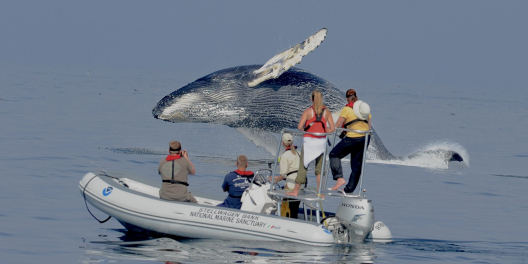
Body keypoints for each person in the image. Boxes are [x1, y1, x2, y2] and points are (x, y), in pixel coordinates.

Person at [286, 90, 335, 196]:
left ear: (311, 99)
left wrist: (308, 130)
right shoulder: (327, 112)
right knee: (320, 168)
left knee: (303, 166)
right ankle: (320, 192)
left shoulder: (308, 111)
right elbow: (332, 129)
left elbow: (300, 127)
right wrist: (322, 131)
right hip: (321, 142)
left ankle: (295, 191)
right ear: (321, 99)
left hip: (309, 143)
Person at [329, 89, 371, 193]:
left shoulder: (346, 109)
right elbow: (368, 126)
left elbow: (337, 125)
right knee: (356, 165)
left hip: (353, 137)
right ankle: (349, 190)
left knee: (334, 155)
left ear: (347, 99)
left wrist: (329, 128)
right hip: (365, 138)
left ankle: (339, 178)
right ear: (356, 97)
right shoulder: (364, 109)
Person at [269, 133, 302, 218]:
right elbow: (294, 171)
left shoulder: (285, 155)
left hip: (291, 186)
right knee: (294, 208)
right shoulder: (299, 153)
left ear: (282, 143)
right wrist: (276, 177)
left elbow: (283, 175)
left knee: (288, 209)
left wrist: (273, 181)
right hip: (301, 184)